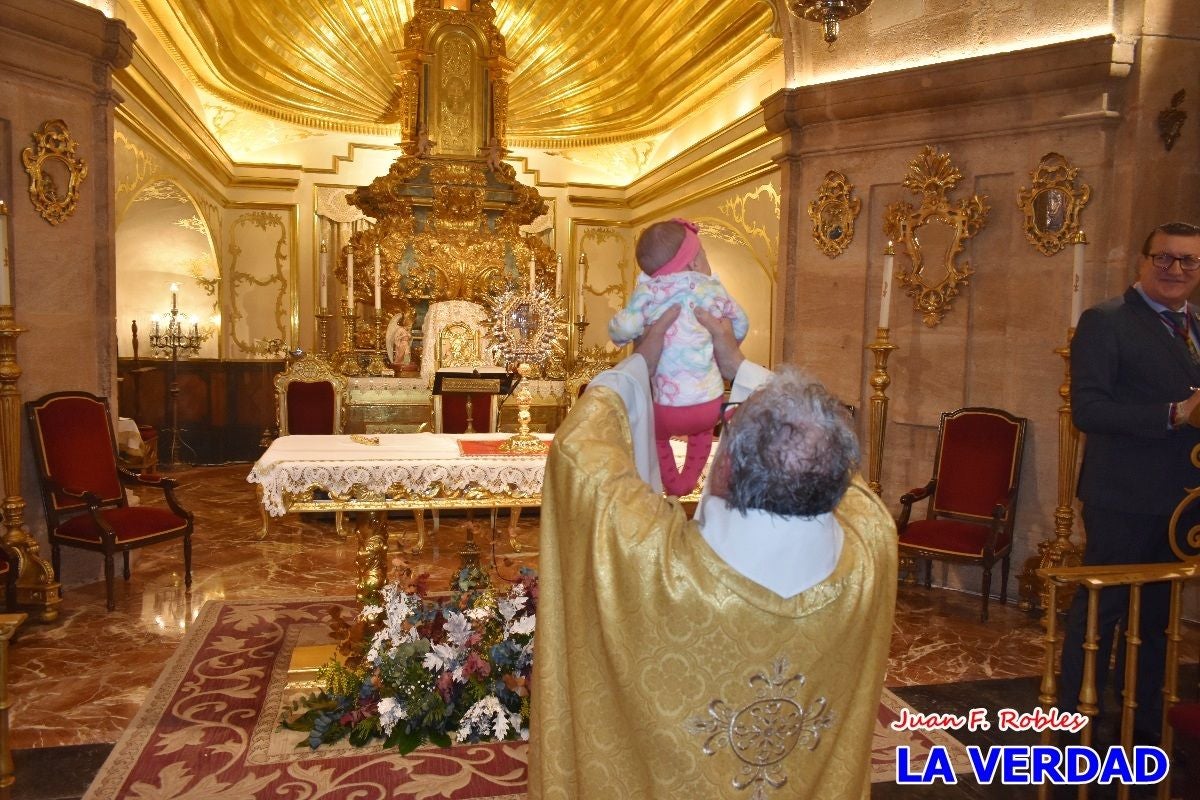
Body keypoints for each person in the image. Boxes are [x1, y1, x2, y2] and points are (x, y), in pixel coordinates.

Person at [530, 307, 897, 799]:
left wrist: (641, 359)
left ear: (724, 471)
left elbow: (580, 454)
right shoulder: (872, 545)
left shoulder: (654, 564)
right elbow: (818, 457)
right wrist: (739, 367)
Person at [1058, 221, 1200, 742]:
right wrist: (1172, 414)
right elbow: (1088, 410)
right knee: (1100, 615)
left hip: (1183, 505)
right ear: (1143, 261)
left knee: (1161, 621)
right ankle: (1074, 724)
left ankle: (1143, 725)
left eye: (1188, 261)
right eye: (1164, 257)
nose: (1175, 269)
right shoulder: (1106, 321)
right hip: (1121, 498)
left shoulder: (1197, 326)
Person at [608, 219, 749, 496]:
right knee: (702, 435)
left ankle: (673, 483)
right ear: (695, 263)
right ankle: (689, 480)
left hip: (666, 407)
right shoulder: (712, 289)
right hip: (708, 403)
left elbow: (624, 328)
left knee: (657, 436)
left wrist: (620, 334)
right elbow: (740, 322)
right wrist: (731, 346)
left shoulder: (648, 291)